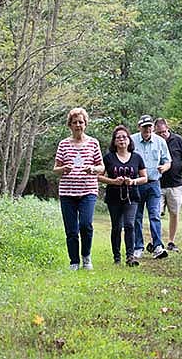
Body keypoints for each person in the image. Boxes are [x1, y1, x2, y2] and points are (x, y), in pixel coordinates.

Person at [53, 107, 105, 271]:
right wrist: (64, 169)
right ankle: (74, 261)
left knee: (85, 224)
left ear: (85, 124)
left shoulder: (93, 143)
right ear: (70, 125)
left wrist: (93, 169)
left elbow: (101, 167)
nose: (78, 125)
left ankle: (86, 257)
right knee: (71, 229)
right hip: (67, 191)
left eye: (81, 122)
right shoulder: (63, 144)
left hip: (88, 190)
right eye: (74, 122)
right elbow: (55, 169)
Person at [98, 125, 148, 267]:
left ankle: (130, 257)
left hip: (132, 196)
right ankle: (117, 257)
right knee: (116, 227)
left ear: (129, 140)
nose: (121, 140)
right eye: (118, 137)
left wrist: (133, 181)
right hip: (114, 196)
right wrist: (113, 181)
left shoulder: (137, 157)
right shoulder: (108, 158)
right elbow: (99, 177)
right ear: (114, 141)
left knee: (129, 224)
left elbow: (144, 177)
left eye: (124, 137)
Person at [131, 114, 171, 259]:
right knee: (137, 216)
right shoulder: (132, 140)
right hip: (136, 183)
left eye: (149, 126)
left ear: (153, 128)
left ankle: (158, 246)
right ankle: (138, 247)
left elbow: (168, 161)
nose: (147, 129)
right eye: (144, 127)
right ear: (139, 127)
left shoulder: (160, 141)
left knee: (155, 214)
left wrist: (164, 168)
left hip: (154, 183)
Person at [154, 118, 182, 252]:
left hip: (176, 184)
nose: (162, 135)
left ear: (167, 128)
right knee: (156, 213)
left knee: (174, 213)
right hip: (157, 183)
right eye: (159, 133)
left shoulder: (178, 140)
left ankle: (171, 241)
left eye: (163, 132)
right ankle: (156, 242)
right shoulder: (154, 141)